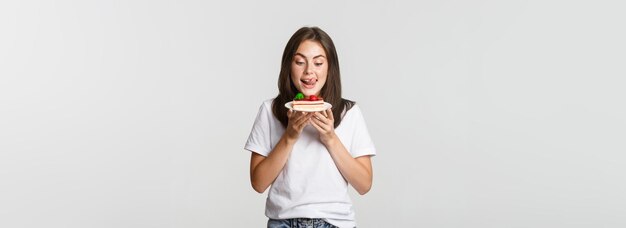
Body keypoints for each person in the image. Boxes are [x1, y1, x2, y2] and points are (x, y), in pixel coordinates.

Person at [244, 26, 376, 228]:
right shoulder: (270, 110)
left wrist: (330, 138)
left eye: (318, 62)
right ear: (289, 66)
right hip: (283, 223)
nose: (309, 71)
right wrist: (289, 137)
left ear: (329, 67)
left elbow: (364, 184)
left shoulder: (348, 112)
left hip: (335, 223)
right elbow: (258, 183)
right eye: (299, 62)